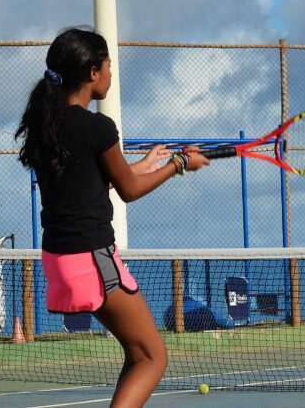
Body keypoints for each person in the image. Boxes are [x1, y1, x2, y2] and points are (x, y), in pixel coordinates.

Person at [16, 27, 209, 407]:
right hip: (93, 259)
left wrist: (147, 163)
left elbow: (96, 184)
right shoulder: (97, 127)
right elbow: (128, 190)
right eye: (107, 65)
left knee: (136, 354)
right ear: (92, 71)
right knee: (154, 357)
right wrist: (180, 163)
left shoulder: (47, 129)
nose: (110, 73)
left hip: (60, 259)